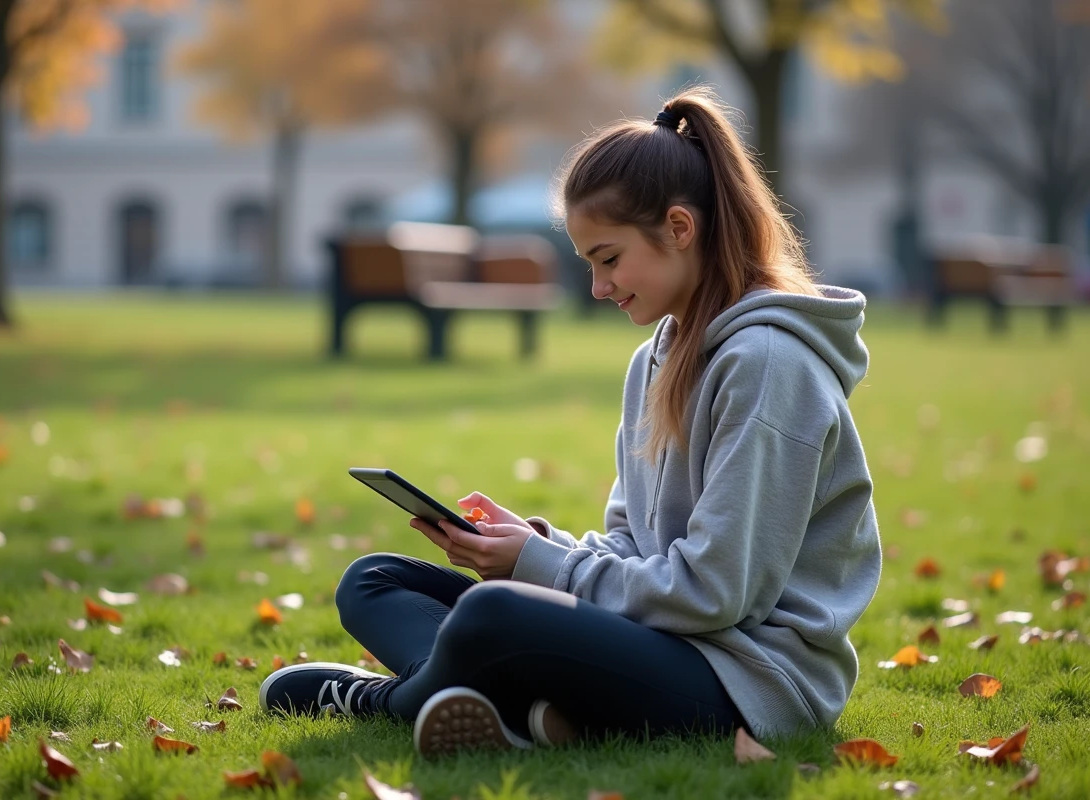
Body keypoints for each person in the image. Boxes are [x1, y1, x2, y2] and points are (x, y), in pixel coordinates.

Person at [259, 85, 882, 758]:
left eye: (609, 259)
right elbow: (631, 545)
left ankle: (384, 701)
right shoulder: (656, 358)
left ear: (679, 228)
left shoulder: (768, 364)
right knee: (375, 580)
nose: (598, 288)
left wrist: (538, 568)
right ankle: (528, 713)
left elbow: (714, 593)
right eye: (589, 264)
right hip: (667, 642)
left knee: (492, 615)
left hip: (750, 681)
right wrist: (535, 543)